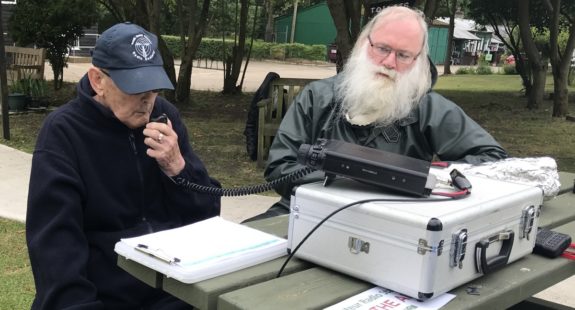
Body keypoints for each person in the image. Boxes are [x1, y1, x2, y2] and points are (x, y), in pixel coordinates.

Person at [26, 22, 220, 309]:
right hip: (105, 292)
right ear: (97, 81)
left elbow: (207, 214)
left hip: (173, 287)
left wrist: (178, 167)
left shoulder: (165, 117)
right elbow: (55, 243)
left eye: (153, 89)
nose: (148, 102)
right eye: (135, 89)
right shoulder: (64, 132)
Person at [257, 6, 508, 219]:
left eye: (403, 55)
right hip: (306, 210)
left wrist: (424, 179)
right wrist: (355, 179)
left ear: (418, 59)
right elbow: (279, 167)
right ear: (365, 44)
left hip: (395, 219)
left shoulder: (428, 108)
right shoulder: (316, 97)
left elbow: (493, 158)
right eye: (382, 49)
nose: (389, 62)